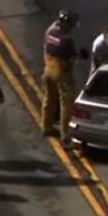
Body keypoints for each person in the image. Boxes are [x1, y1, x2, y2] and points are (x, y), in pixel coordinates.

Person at [41, 9, 80, 143]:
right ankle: (65, 133)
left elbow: (46, 49)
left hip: (48, 68)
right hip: (61, 72)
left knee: (49, 98)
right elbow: (72, 58)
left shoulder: (50, 31)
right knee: (66, 102)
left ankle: (46, 126)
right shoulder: (67, 39)